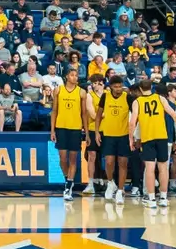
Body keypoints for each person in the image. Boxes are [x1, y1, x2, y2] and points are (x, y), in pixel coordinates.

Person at [128, 78, 176, 209]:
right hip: (162, 137)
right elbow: (173, 114)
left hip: (147, 138)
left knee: (149, 169)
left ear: (140, 89)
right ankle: (163, 197)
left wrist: (131, 139)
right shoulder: (161, 99)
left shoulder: (137, 101)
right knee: (163, 168)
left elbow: (133, 122)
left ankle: (151, 198)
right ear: (152, 87)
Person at [52, 70, 89, 199]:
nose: (75, 77)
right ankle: (69, 179)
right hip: (61, 127)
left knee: (73, 159)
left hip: (75, 128)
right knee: (62, 159)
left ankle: (68, 186)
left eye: (76, 75)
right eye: (72, 75)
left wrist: (87, 132)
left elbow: (84, 113)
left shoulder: (82, 92)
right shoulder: (58, 90)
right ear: (67, 76)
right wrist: (52, 130)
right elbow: (54, 110)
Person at [95, 77, 132, 202]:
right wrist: (96, 132)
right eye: (116, 86)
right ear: (110, 86)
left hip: (124, 135)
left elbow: (136, 115)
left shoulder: (127, 97)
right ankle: (111, 183)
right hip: (108, 135)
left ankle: (120, 191)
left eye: (120, 86)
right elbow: (98, 115)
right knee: (109, 162)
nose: (118, 89)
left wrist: (134, 135)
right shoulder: (105, 97)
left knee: (123, 163)